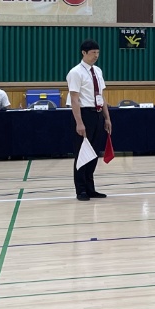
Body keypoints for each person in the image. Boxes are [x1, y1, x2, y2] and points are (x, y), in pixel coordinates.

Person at [67, 39, 112, 201]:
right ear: (84, 53)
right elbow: (74, 99)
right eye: (93, 53)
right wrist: (79, 122)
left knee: (93, 153)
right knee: (82, 153)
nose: (96, 56)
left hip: (97, 114)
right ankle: (81, 190)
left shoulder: (98, 71)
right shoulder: (75, 72)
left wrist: (107, 118)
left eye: (98, 53)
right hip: (84, 114)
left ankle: (90, 188)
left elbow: (101, 96)